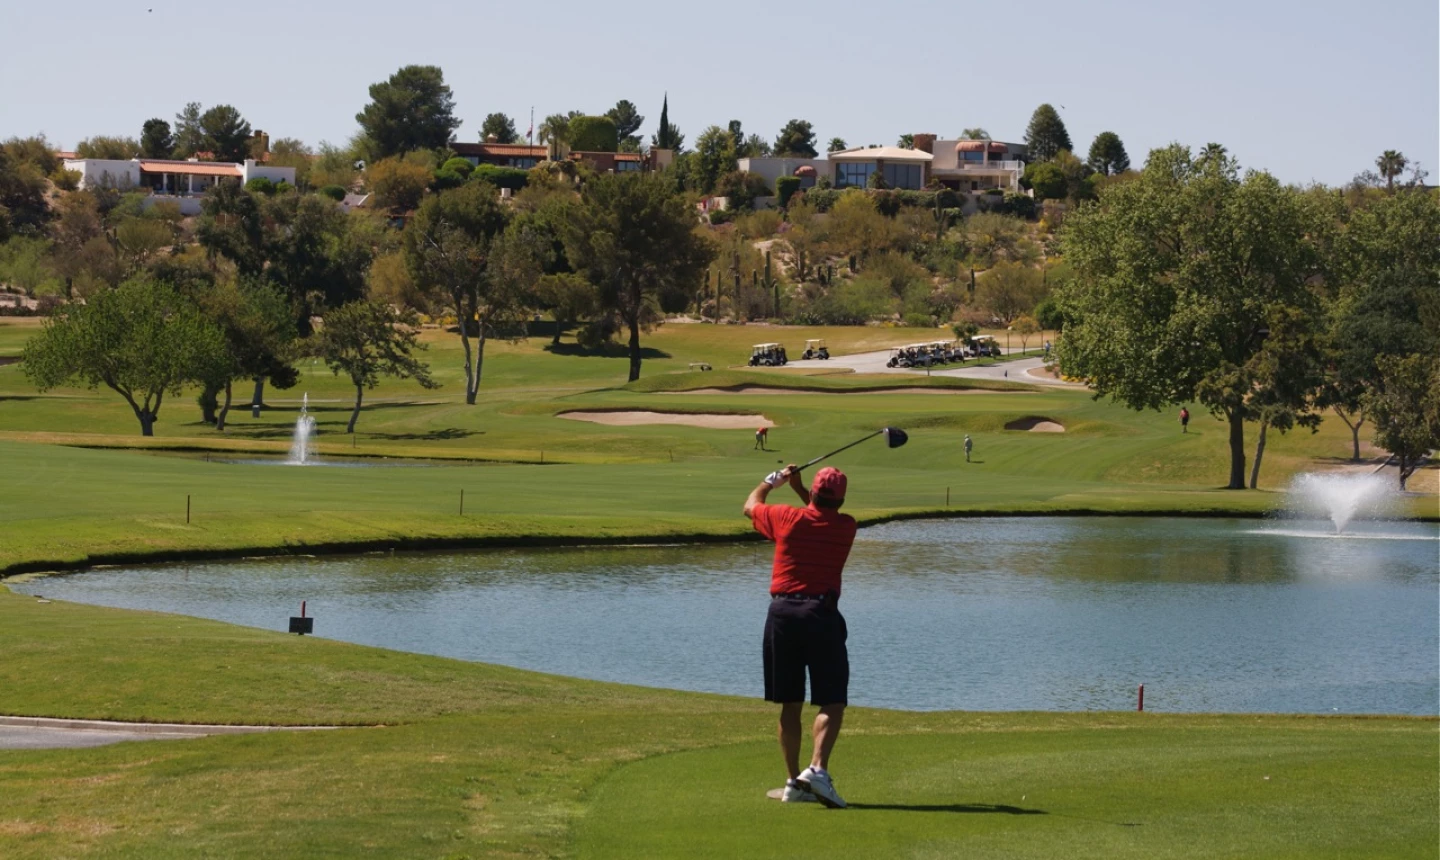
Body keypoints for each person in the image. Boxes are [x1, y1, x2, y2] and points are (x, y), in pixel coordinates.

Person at [743, 465, 857, 809]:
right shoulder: (846, 526)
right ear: (841, 498)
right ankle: (818, 772)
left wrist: (771, 481)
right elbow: (820, 510)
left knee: (789, 703)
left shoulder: (786, 519)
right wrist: (799, 488)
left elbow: (750, 505)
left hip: (782, 616)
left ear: (814, 494)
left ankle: (794, 781)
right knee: (832, 700)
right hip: (820, 615)